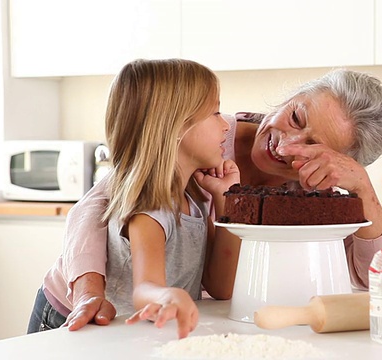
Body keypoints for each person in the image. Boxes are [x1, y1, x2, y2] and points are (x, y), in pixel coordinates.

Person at [61, 67, 382, 331]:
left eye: (313, 148)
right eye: (295, 117)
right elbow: (101, 204)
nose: (284, 147)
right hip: (94, 314)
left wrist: (364, 191)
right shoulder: (197, 138)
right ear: (291, 97)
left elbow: (376, 282)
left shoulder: (317, 191)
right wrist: (89, 292)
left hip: (195, 321)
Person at [27, 58, 240, 339]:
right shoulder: (149, 207)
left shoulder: (195, 198)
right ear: (175, 126)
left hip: (119, 333)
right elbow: (145, 290)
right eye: (216, 112)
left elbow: (221, 286)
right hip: (70, 319)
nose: (226, 125)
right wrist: (166, 296)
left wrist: (227, 201)